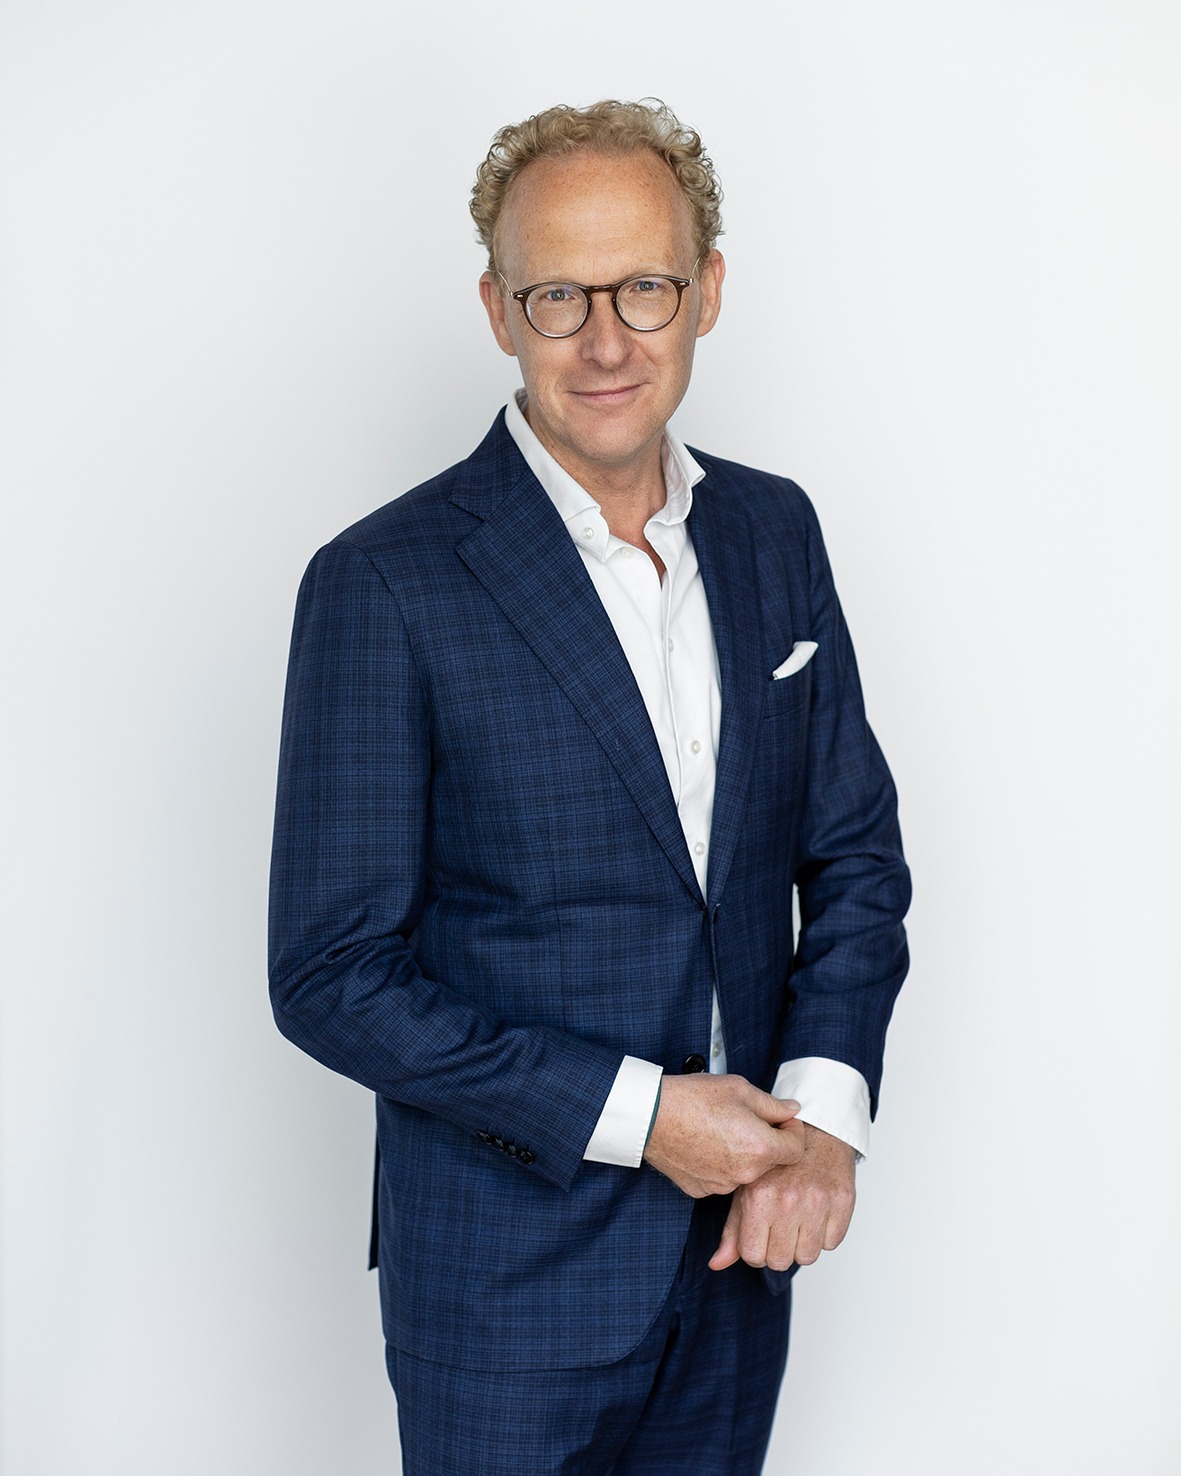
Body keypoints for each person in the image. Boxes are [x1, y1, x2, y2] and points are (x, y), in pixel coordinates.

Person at [269, 98, 910, 1475]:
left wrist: (821, 1121)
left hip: (738, 1260)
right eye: (559, 295)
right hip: (506, 1287)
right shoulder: (384, 582)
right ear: (498, 311)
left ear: (707, 291)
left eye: (644, 287)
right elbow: (330, 973)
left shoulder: (774, 530)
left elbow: (853, 855)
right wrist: (644, 1117)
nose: (607, 340)